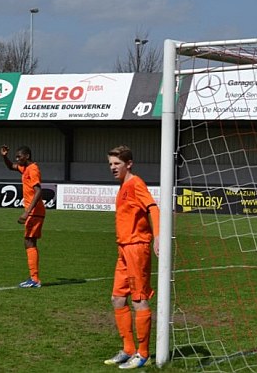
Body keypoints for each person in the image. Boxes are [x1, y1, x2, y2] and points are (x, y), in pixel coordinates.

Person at [104, 145, 160, 369]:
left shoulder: (136, 183)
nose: (112, 168)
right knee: (117, 298)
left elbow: (153, 209)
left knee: (139, 299)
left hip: (137, 247)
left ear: (129, 164)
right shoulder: (123, 186)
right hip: (123, 249)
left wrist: (158, 237)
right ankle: (128, 349)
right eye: (110, 164)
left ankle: (143, 353)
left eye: (116, 163)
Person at [0, 145, 45, 288]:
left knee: (29, 241)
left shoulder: (33, 169)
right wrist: (4, 156)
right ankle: (34, 277)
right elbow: (10, 167)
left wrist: (27, 212)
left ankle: (35, 279)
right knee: (29, 241)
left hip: (34, 211)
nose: (17, 158)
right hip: (34, 211)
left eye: (19, 156)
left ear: (27, 156)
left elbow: (38, 191)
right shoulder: (24, 168)